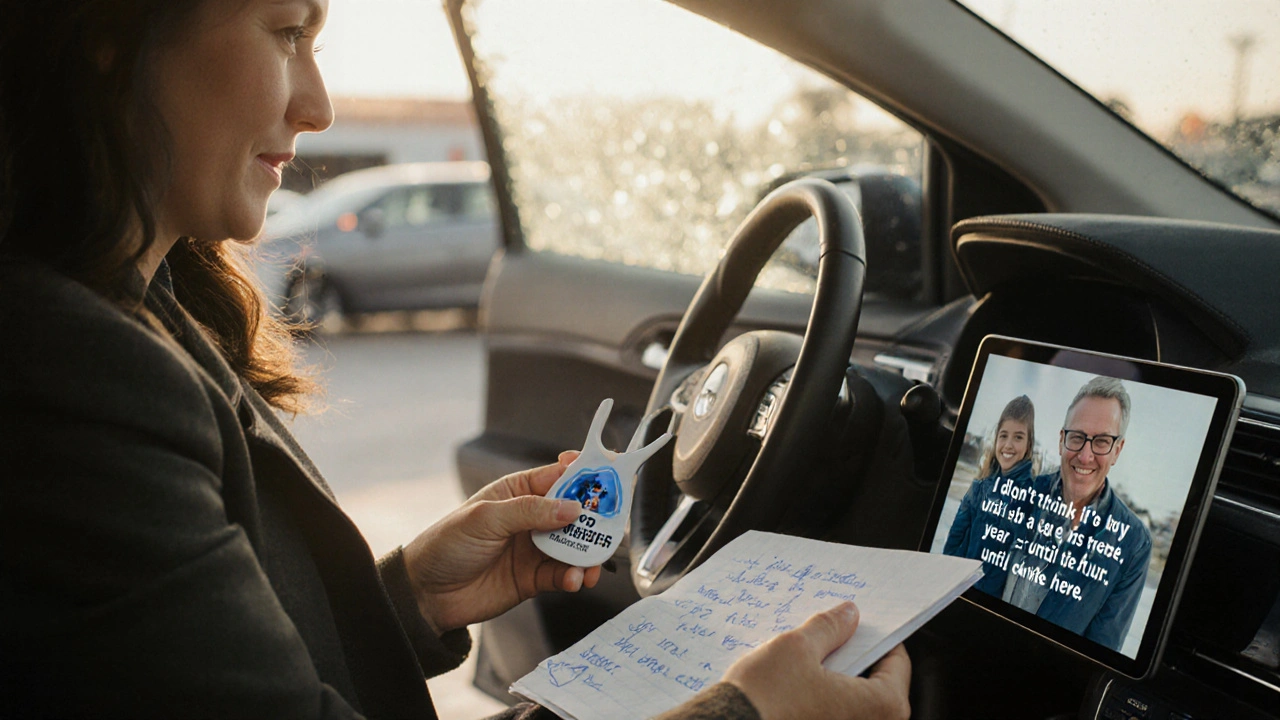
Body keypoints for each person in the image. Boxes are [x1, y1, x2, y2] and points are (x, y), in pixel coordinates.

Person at [0, 1, 911, 718]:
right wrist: (743, 716)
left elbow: (197, 668)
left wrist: (407, 595)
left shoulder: (143, 308)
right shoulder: (71, 369)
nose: (315, 106)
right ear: (110, 37)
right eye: (286, 32)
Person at [1001, 377, 1152, 652]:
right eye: (1077, 437)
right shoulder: (1018, 492)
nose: (1085, 456)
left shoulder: (1133, 543)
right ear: (1062, 440)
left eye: (1102, 441)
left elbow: (1100, 651)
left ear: (1117, 450)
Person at [943, 395, 1038, 594]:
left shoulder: (1031, 498)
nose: (1008, 445)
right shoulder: (980, 485)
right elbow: (955, 537)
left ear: (1029, 444)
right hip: (957, 587)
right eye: (1004, 436)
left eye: (1018, 437)